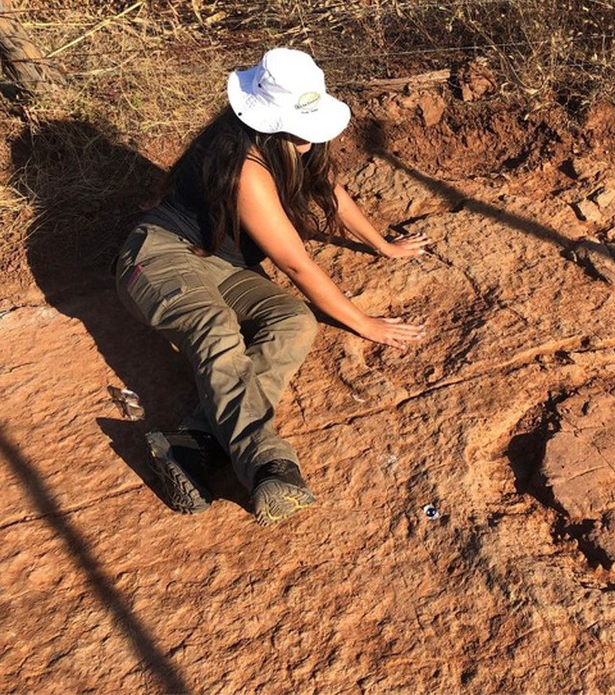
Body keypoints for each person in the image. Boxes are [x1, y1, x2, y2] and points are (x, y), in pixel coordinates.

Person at [114, 48, 429, 525]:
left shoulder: (295, 143)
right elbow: (296, 265)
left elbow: (329, 189)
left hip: (224, 265)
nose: (308, 136)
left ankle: (194, 442)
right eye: (297, 126)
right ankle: (268, 466)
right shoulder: (242, 164)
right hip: (159, 259)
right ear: (266, 120)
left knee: (294, 321)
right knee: (215, 328)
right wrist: (365, 323)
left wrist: (383, 245)